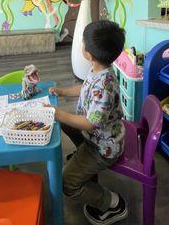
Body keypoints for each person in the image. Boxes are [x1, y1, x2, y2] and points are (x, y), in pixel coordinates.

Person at [49, 20, 127, 225]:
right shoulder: (98, 70)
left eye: (82, 42)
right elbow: (85, 87)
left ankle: (112, 203)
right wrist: (63, 92)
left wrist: (59, 114)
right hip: (95, 137)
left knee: (66, 183)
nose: (81, 45)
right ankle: (81, 158)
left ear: (89, 54)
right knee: (64, 123)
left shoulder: (105, 84)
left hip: (103, 147)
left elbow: (91, 123)